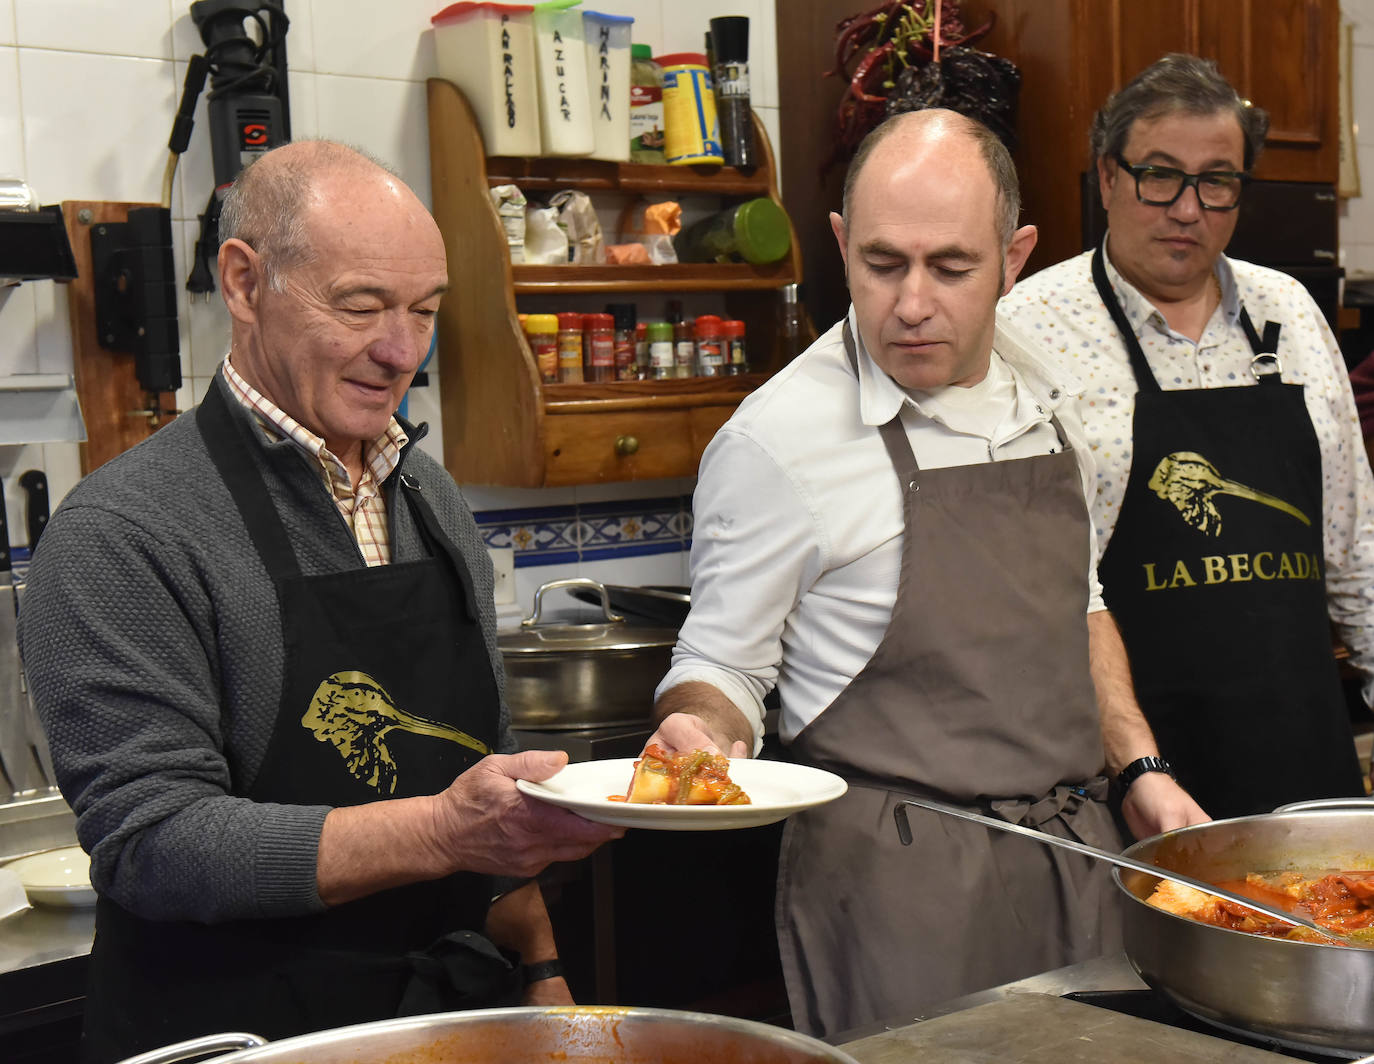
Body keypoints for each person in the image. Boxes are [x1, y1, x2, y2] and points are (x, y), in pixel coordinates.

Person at [17, 140, 620, 1063]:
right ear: (245, 282)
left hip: (448, 1027)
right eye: (362, 306)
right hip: (241, 1035)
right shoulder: (123, 530)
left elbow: (484, 758)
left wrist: (541, 972)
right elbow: (154, 842)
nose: (400, 351)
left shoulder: (430, 497)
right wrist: (445, 829)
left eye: (423, 311)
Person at [646, 108, 1207, 1039]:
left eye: (951, 268)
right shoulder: (777, 441)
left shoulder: (1044, 391)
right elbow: (725, 664)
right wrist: (700, 730)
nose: (911, 303)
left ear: (1014, 256)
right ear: (839, 244)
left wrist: (1139, 764)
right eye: (880, 264)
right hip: (901, 888)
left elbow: (1081, 603)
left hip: (1077, 858)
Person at [999, 54, 1374, 820]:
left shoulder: (1291, 312)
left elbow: (1354, 548)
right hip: (1130, 777)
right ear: (1108, 177)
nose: (1187, 208)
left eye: (1218, 180)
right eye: (1160, 175)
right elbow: (1041, 590)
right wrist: (1135, 766)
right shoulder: (1029, 328)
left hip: (1302, 750)